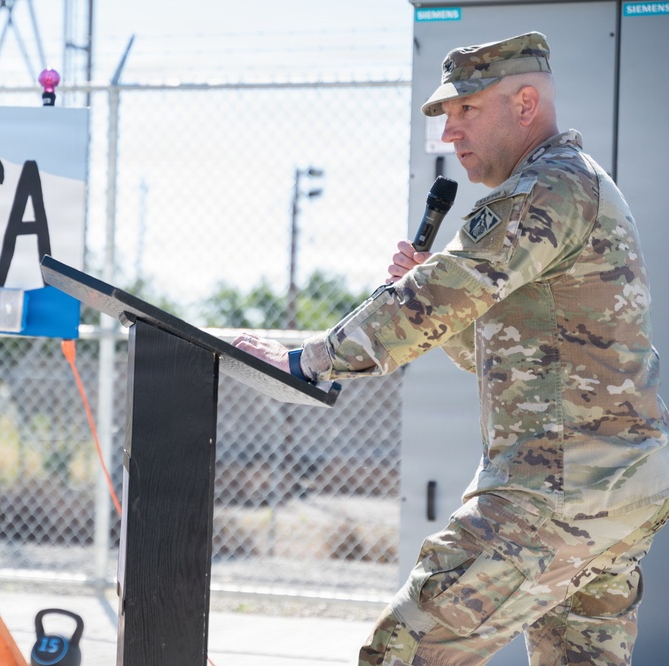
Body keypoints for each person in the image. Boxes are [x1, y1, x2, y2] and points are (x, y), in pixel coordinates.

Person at [233, 31, 669, 665]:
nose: (450, 134)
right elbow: (495, 348)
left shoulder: (547, 187)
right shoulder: (574, 186)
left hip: (556, 487)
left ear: (525, 105)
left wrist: (307, 360)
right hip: (615, 488)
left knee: (405, 651)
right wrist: (439, 299)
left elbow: (443, 292)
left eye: (467, 110)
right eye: (446, 116)